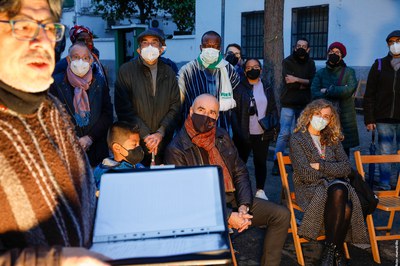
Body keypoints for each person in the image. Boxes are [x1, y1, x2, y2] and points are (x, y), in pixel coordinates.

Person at [0, 0, 107, 264]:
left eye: (48, 27)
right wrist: (54, 260)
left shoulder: (51, 107)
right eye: (24, 26)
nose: (41, 40)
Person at [165, 94, 290, 266]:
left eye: (212, 113)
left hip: (233, 198)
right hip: (206, 208)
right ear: (191, 110)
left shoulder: (221, 136)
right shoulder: (177, 149)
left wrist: (244, 206)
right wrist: (228, 215)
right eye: (201, 110)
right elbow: (188, 198)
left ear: (217, 116)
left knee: (281, 215)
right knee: (221, 256)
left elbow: (240, 171)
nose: (206, 116)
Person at [289, 99, 367, 265]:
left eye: (326, 116)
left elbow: (346, 167)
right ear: (309, 114)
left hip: (335, 188)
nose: (321, 119)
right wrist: (332, 172)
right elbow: (305, 174)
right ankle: (336, 251)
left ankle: (329, 251)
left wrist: (320, 166)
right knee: (345, 203)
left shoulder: (332, 139)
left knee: (339, 191)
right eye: (318, 114)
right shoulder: (297, 139)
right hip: (310, 189)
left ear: (330, 120)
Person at [114, 28, 181, 166]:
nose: (149, 47)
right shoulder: (126, 71)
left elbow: (175, 106)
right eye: (145, 43)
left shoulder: (169, 72)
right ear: (139, 49)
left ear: (162, 49)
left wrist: (160, 132)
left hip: (163, 143)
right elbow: (124, 108)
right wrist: (146, 136)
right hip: (135, 144)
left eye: (154, 43)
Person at [50, 42, 113, 167]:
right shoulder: (56, 83)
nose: (80, 62)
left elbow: (107, 114)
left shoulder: (99, 82)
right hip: (67, 152)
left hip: (96, 150)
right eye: (76, 57)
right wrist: (73, 140)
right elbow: (53, 117)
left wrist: (89, 138)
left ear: (90, 61)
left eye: (85, 58)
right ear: (68, 59)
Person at [231, 58, 278, 200]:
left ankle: (260, 190)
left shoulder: (267, 87)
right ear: (245, 71)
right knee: (240, 163)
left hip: (262, 132)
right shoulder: (239, 88)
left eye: (256, 66)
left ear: (261, 70)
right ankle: (237, 191)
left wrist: (272, 126)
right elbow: (234, 112)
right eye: (249, 67)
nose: (253, 69)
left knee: (260, 162)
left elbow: (273, 108)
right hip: (244, 133)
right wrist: (239, 132)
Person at [178, 31, 240, 131]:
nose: (210, 49)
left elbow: (237, 97)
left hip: (221, 128)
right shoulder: (187, 71)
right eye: (207, 46)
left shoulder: (229, 70)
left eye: (214, 46)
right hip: (194, 129)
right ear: (201, 47)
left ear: (219, 49)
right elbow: (178, 103)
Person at [272, 38, 316, 175]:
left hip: (304, 104)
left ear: (308, 49)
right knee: (284, 134)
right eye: (298, 46)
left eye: (304, 46)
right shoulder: (287, 61)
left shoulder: (311, 63)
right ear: (295, 47)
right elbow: (288, 81)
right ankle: (277, 163)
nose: (301, 48)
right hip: (288, 102)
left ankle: (297, 162)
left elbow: (313, 82)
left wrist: (296, 79)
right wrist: (304, 83)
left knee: (301, 135)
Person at [364, 30, 400, 190]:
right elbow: (369, 94)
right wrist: (369, 118)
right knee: (385, 152)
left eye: (398, 41)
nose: (395, 44)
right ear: (387, 44)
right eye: (391, 42)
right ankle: (385, 184)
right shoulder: (379, 64)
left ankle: (398, 184)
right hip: (383, 117)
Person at [311, 42, 359, 156]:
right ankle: (327, 171)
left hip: (344, 114)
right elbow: (314, 91)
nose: (334, 54)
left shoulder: (349, 72)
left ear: (342, 56)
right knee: (324, 146)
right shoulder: (321, 72)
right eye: (331, 51)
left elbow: (349, 90)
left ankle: (343, 172)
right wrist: (340, 90)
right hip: (325, 115)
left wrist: (328, 91)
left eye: (337, 52)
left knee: (343, 147)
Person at [53, 25, 108, 89]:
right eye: (81, 40)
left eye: (89, 40)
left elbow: (104, 88)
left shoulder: (97, 64)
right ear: (74, 42)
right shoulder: (62, 65)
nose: (86, 43)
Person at [94, 121, 145, 188]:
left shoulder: (138, 165)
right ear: (117, 148)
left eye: (139, 143)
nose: (139, 148)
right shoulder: (108, 176)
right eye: (134, 144)